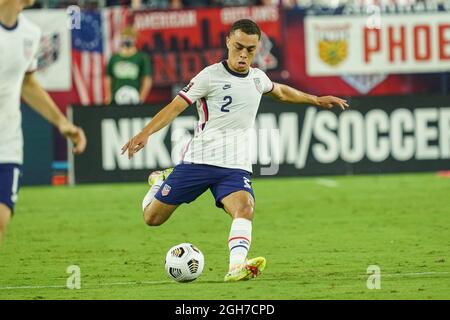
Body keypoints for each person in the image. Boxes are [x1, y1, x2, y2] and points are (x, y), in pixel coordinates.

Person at [121, 19, 348, 282]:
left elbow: (282, 92)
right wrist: (146, 132)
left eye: (250, 50)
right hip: (199, 160)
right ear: (228, 41)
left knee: (245, 207)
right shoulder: (209, 76)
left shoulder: (257, 78)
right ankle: (159, 181)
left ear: (257, 48)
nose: (243, 54)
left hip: (235, 165)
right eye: (239, 46)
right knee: (152, 218)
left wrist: (315, 99)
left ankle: (236, 267)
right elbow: (175, 106)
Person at [0, 0, 87, 246]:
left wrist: (62, 123)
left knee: (1, 219)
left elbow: (28, 84)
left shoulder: (30, 33)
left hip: (7, 143)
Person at [104, 26, 152, 106]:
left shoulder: (141, 57)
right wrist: (108, 96)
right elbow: (108, 78)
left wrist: (141, 98)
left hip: (134, 98)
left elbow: (147, 79)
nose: (127, 39)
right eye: (125, 37)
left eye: (130, 37)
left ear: (135, 39)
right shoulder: (114, 58)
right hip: (116, 99)